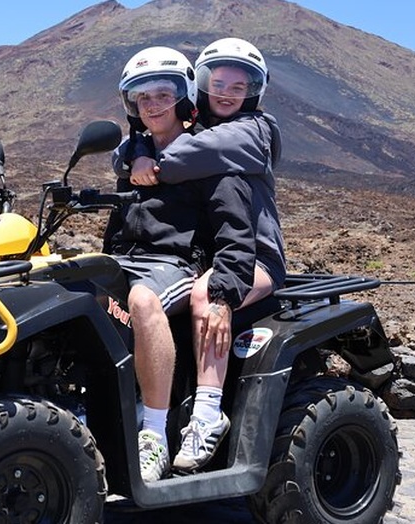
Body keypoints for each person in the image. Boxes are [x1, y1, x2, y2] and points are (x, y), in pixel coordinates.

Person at [118, 37, 286, 473]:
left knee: (204, 296)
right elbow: (136, 151)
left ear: (255, 90)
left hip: (255, 257)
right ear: (204, 86)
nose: (228, 92)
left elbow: (199, 152)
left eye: (240, 85)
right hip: (223, 253)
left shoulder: (253, 133)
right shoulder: (195, 132)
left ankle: (206, 414)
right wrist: (136, 148)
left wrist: (148, 161)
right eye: (219, 82)